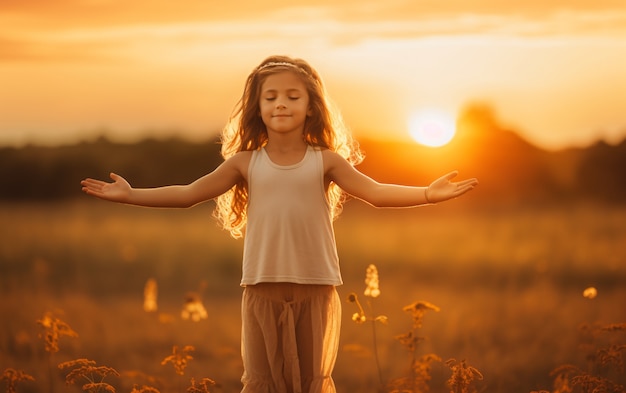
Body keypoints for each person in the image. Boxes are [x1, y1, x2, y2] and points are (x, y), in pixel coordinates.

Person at [81, 55, 478, 393]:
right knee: (262, 382)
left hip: (316, 287)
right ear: (258, 108)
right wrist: (131, 195)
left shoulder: (326, 160)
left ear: (311, 106)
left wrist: (428, 192)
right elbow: (188, 194)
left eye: (292, 96)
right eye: (270, 97)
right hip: (261, 288)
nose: (281, 104)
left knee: (311, 382)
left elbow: (375, 192)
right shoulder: (244, 163)